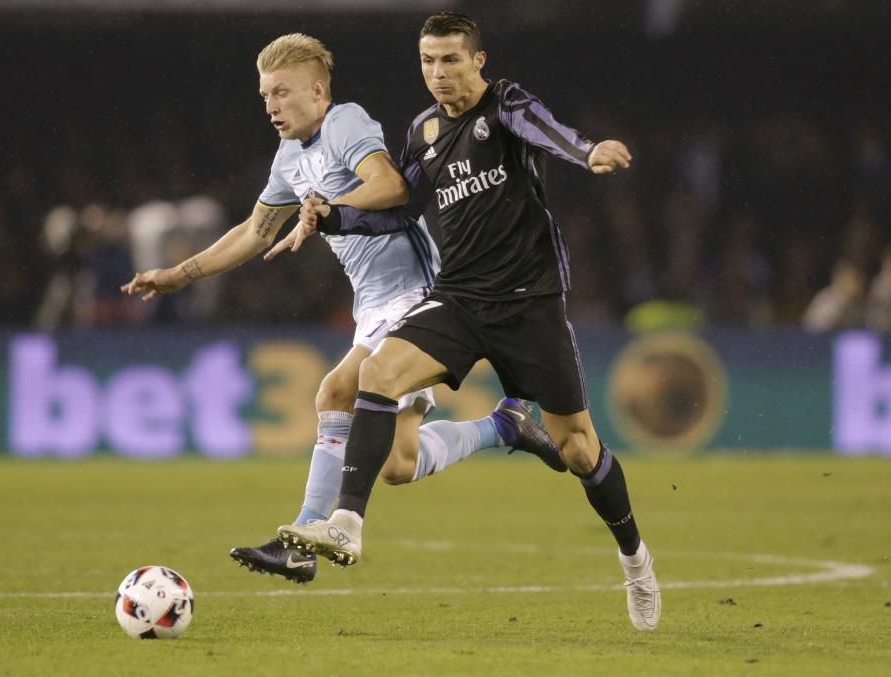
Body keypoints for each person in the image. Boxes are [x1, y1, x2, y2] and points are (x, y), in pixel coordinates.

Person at [121, 33, 564, 584]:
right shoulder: (289, 159)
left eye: (281, 92)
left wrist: (327, 209)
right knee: (398, 465)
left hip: (413, 294)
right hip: (371, 305)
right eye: (265, 97)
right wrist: (177, 275)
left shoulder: (345, 123)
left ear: (318, 90)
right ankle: (505, 426)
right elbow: (255, 232)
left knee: (334, 391)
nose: (272, 106)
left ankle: (303, 539)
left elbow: (391, 185)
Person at [277, 12, 661, 631]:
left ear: (477, 62)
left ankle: (635, 560)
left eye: (451, 60)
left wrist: (586, 151)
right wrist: (336, 219)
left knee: (578, 450)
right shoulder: (423, 130)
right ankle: (347, 522)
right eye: (428, 61)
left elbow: (544, 129)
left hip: (528, 304)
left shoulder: (504, 106)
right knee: (376, 376)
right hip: (458, 299)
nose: (438, 73)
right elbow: (400, 207)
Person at [801, 259, 866, 332]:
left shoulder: (857, 301)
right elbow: (815, 326)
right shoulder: (828, 297)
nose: (857, 284)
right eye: (853, 279)